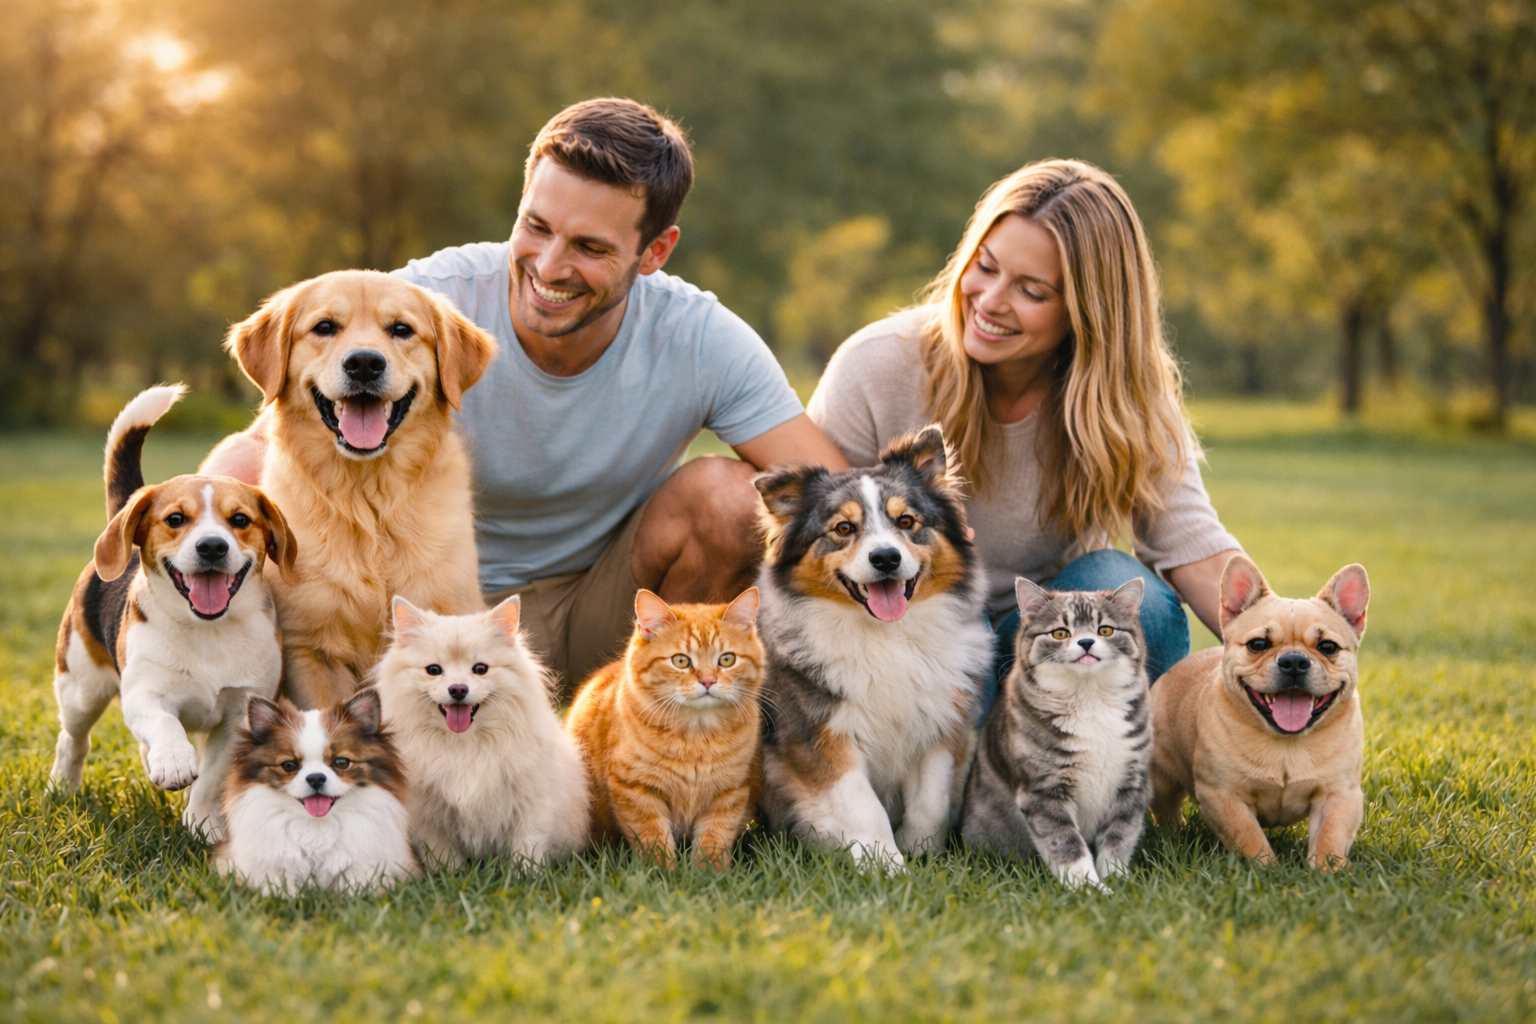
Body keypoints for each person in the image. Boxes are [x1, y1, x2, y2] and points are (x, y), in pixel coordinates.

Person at [202, 98, 849, 691]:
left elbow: (842, 503)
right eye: (536, 227)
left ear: (654, 251)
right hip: (408, 617)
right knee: (245, 477)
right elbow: (256, 453)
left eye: (590, 247)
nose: (548, 266)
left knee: (730, 500)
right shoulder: (420, 305)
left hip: (600, 618)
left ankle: (652, 733)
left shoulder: (700, 338)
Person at [807, 159, 1242, 720]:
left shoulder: (1128, 399)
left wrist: (1287, 641)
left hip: (1037, 646)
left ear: (1088, 314)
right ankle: (971, 751)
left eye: (1031, 290)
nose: (989, 301)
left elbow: (1197, 551)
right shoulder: (878, 363)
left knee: (1138, 602)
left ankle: (1032, 756)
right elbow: (804, 537)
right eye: (985, 267)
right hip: (904, 642)